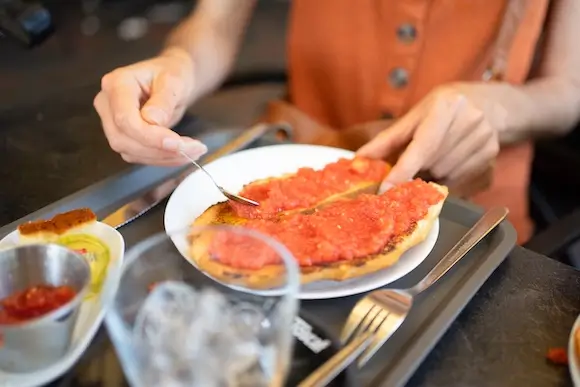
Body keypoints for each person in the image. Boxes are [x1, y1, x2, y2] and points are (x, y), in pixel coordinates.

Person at [94, 0, 580, 244]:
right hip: (290, 170)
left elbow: (569, 89)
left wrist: (497, 109)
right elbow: (216, 20)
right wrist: (179, 63)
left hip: (471, 218)